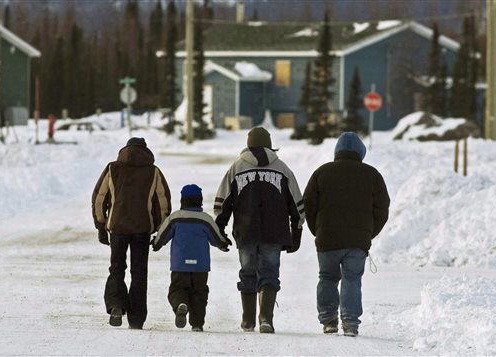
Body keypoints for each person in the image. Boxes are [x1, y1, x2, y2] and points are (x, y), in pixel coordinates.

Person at [214, 127, 305, 334]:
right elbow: (297, 205)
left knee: (247, 273)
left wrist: (220, 230)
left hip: (245, 232)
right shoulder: (282, 169)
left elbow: (222, 203)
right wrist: (296, 233)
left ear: (248, 144)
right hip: (275, 233)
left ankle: (248, 321)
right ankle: (266, 319)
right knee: (270, 273)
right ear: (270, 144)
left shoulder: (236, 168)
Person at [303, 132, 390, 337]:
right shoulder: (373, 175)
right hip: (357, 241)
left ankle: (329, 321)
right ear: (360, 152)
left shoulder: (321, 173)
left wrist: (317, 230)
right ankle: (350, 323)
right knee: (352, 279)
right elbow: (382, 209)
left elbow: (308, 205)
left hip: (327, 238)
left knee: (327, 278)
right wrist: (368, 233)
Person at [91, 137, 171, 329]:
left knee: (117, 268)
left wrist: (101, 225)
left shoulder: (113, 169)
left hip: (117, 227)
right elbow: (162, 203)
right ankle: (136, 319)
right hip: (142, 229)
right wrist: (160, 228)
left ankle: (116, 305)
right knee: (139, 272)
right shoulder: (153, 171)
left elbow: (99, 199)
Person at [152, 184, 231, 332]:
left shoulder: (175, 218)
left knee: (177, 289)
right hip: (200, 266)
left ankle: (181, 304)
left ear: (183, 200)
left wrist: (156, 244)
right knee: (200, 293)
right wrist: (224, 244)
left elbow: (162, 236)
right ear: (200, 200)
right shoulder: (205, 219)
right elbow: (217, 239)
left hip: (179, 265)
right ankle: (197, 324)